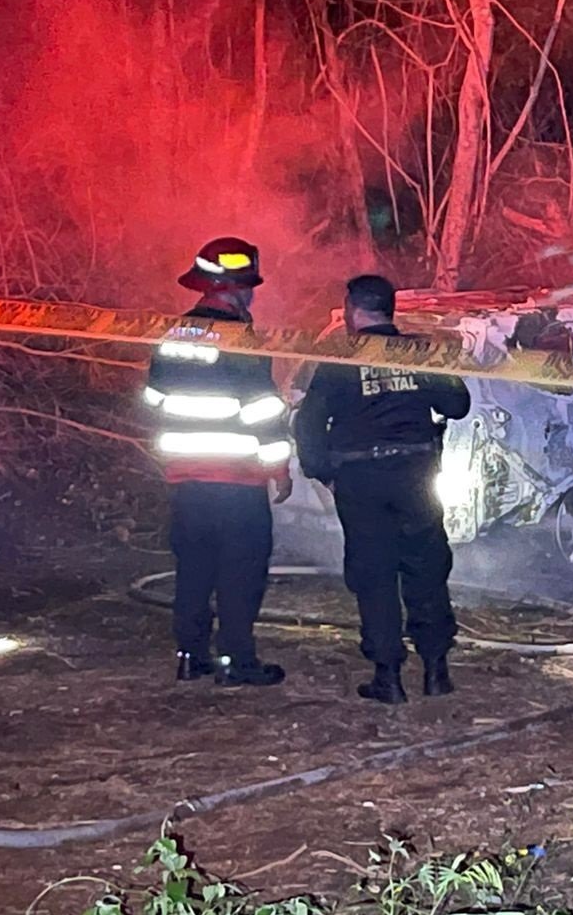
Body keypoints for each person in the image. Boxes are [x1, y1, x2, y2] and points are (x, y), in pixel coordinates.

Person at [293, 275, 470, 704]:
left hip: (362, 480)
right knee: (426, 567)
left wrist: (323, 473)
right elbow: (457, 405)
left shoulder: (339, 359)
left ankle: (388, 676)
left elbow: (309, 423)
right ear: (391, 309)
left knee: (374, 576)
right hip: (415, 473)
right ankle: (435, 669)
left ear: (353, 311)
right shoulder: (418, 352)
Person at [146, 237, 292, 687]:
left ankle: (191, 656)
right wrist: (278, 469)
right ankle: (237, 662)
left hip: (187, 479)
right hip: (238, 480)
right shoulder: (239, 338)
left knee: (193, 570)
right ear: (240, 289)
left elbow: (153, 400)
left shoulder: (172, 336)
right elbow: (261, 410)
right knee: (240, 573)